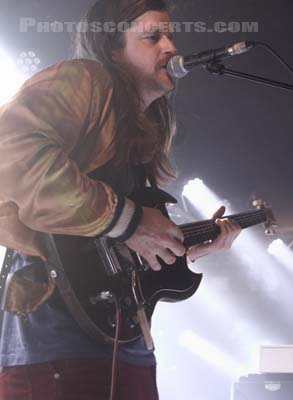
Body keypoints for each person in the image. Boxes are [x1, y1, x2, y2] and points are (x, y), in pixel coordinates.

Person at [0, 0, 240, 398]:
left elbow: (111, 248)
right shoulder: (86, 79)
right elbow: (10, 147)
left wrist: (177, 250)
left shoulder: (137, 133)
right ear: (113, 48)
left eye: (170, 35)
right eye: (152, 37)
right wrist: (128, 220)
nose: (170, 46)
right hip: (53, 343)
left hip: (124, 344)